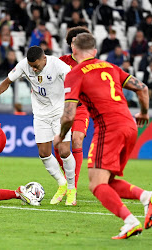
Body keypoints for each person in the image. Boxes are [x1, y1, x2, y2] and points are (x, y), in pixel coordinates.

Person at [54, 33, 152, 239]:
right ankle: (147, 197)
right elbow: (143, 89)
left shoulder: (75, 73)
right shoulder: (111, 67)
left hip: (109, 128)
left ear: (74, 50)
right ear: (94, 51)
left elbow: (68, 115)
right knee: (107, 181)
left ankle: (130, 221)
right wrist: (145, 112)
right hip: (130, 125)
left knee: (96, 184)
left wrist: (60, 136)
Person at [0, 46, 77, 206]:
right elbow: (7, 81)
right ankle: (61, 184)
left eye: (36, 66)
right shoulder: (24, 65)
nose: (33, 69)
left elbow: (75, 81)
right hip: (40, 114)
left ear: (44, 59)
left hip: (59, 112)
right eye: (31, 66)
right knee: (43, 153)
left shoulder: (57, 65)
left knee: (63, 150)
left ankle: (71, 189)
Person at [58, 26, 90, 190]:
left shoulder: (91, 64)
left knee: (77, 140)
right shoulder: (61, 61)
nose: (75, 45)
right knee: (59, 147)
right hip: (61, 109)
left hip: (81, 108)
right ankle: (67, 178)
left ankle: (73, 188)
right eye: (72, 42)